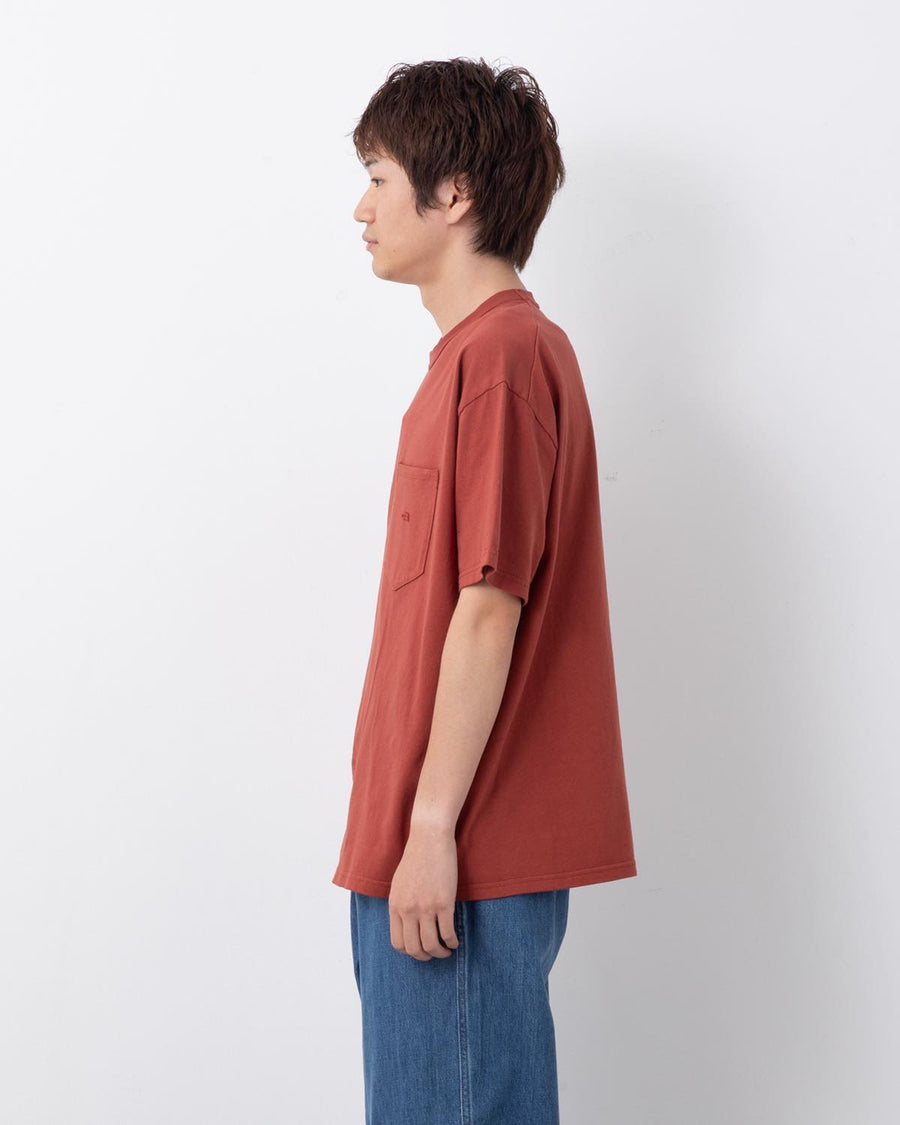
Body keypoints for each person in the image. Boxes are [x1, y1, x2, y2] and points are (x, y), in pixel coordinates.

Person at [332, 56, 638, 1124]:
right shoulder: (472, 361)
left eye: (378, 178)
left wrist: (429, 831)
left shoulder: (503, 359)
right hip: (428, 844)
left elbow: (488, 608)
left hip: (461, 850)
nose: (361, 208)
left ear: (452, 191)